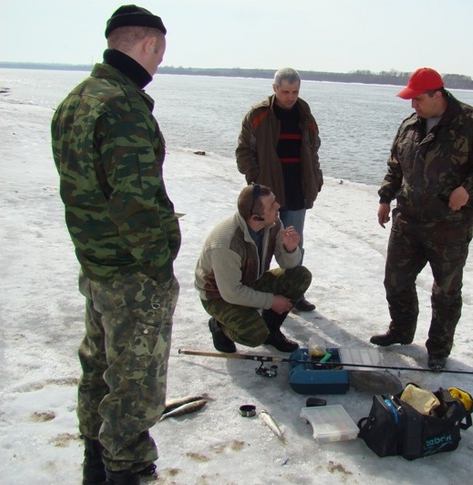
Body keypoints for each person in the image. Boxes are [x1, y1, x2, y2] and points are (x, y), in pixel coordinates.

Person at [51, 5, 178, 484]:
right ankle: (124, 467)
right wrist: (159, 264)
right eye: (160, 54)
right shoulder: (122, 107)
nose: (159, 63)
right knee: (134, 381)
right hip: (130, 273)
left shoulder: (75, 101)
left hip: (96, 264)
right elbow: (135, 204)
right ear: (149, 44)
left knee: (99, 366)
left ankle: (95, 462)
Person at [371, 68, 473, 371]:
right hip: (407, 221)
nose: (413, 105)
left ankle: (438, 349)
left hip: (449, 226)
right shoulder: (410, 125)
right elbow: (396, 165)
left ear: (438, 95)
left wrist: (468, 188)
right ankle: (401, 330)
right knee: (395, 281)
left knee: (445, 292)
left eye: (418, 99)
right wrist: (385, 198)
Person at [236, 67, 322, 313]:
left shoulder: (304, 114)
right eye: (285, 92)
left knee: (293, 242)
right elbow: (244, 151)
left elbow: (314, 149)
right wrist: (255, 180)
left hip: (297, 190)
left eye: (295, 92)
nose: (290, 97)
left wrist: (316, 178)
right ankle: (254, 292)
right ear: (274, 89)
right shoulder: (258, 115)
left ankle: (294, 292)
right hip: (267, 193)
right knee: (259, 244)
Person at [195, 183, 312, 354]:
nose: (278, 206)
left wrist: (290, 249)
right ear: (256, 217)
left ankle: (271, 332)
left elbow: (288, 265)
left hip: (250, 280)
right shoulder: (225, 243)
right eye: (272, 205)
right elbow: (231, 293)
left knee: (300, 276)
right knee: (255, 335)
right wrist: (271, 301)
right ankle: (219, 326)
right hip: (218, 295)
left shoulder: (273, 224)